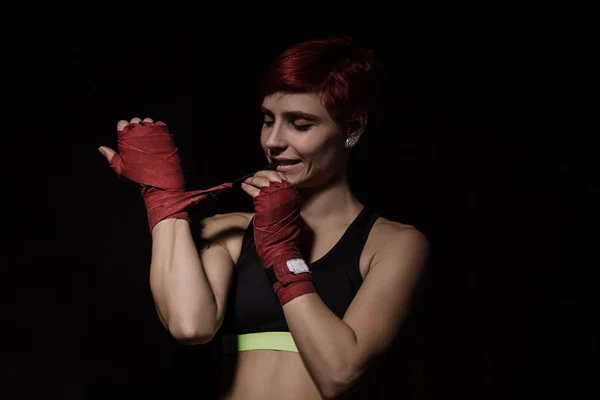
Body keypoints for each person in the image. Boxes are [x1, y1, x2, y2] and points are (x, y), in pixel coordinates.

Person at [98, 36, 429, 399]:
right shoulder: (234, 231)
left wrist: (281, 252)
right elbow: (190, 326)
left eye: (300, 124)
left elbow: (340, 372)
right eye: (268, 120)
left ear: (352, 129)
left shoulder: (393, 243)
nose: (273, 140)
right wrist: (162, 199)